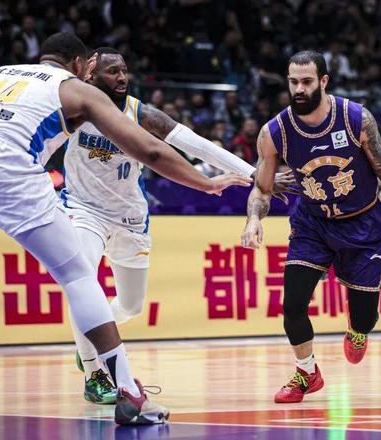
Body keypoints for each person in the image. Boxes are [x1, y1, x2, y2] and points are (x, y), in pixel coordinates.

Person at [0, 32, 249, 426]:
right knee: (79, 275)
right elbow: (150, 150)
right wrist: (206, 184)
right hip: (5, 162)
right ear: (82, 65)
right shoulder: (73, 88)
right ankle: (128, 391)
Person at [63, 47, 291, 404]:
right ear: (91, 75)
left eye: (124, 70)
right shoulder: (72, 108)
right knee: (83, 283)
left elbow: (198, 145)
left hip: (128, 217)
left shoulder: (140, 113)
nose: (122, 77)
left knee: (131, 306)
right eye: (112, 71)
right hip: (83, 209)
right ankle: (94, 372)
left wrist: (255, 175)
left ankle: (92, 337)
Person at [241, 51, 381, 404]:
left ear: (323, 81)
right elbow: (262, 190)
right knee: (292, 304)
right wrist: (253, 219)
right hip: (313, 224)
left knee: (365, 317)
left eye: (306, 81)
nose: (298, 89)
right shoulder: (274, 132)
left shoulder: (356, 118)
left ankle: (357, 330)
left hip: (363, 224)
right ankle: (307, 373)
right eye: (293, 82)